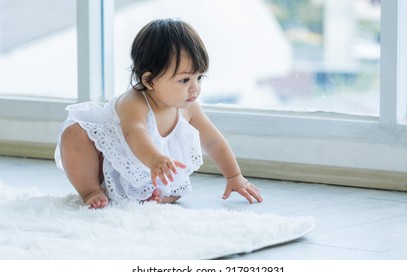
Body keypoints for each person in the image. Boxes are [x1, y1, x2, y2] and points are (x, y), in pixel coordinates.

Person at [55, 18, 263, 209]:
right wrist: (155, 159)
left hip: (152, 172)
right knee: (74, 134)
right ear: (149, 81)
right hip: (108, 162)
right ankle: (92, 191)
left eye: (199, 78)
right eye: (184, 80)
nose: (194, 88)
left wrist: (234, 176)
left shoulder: (188, 106)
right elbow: (135, 134)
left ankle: (154, 196)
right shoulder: (134, 102)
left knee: (177, 188)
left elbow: (214, 141)